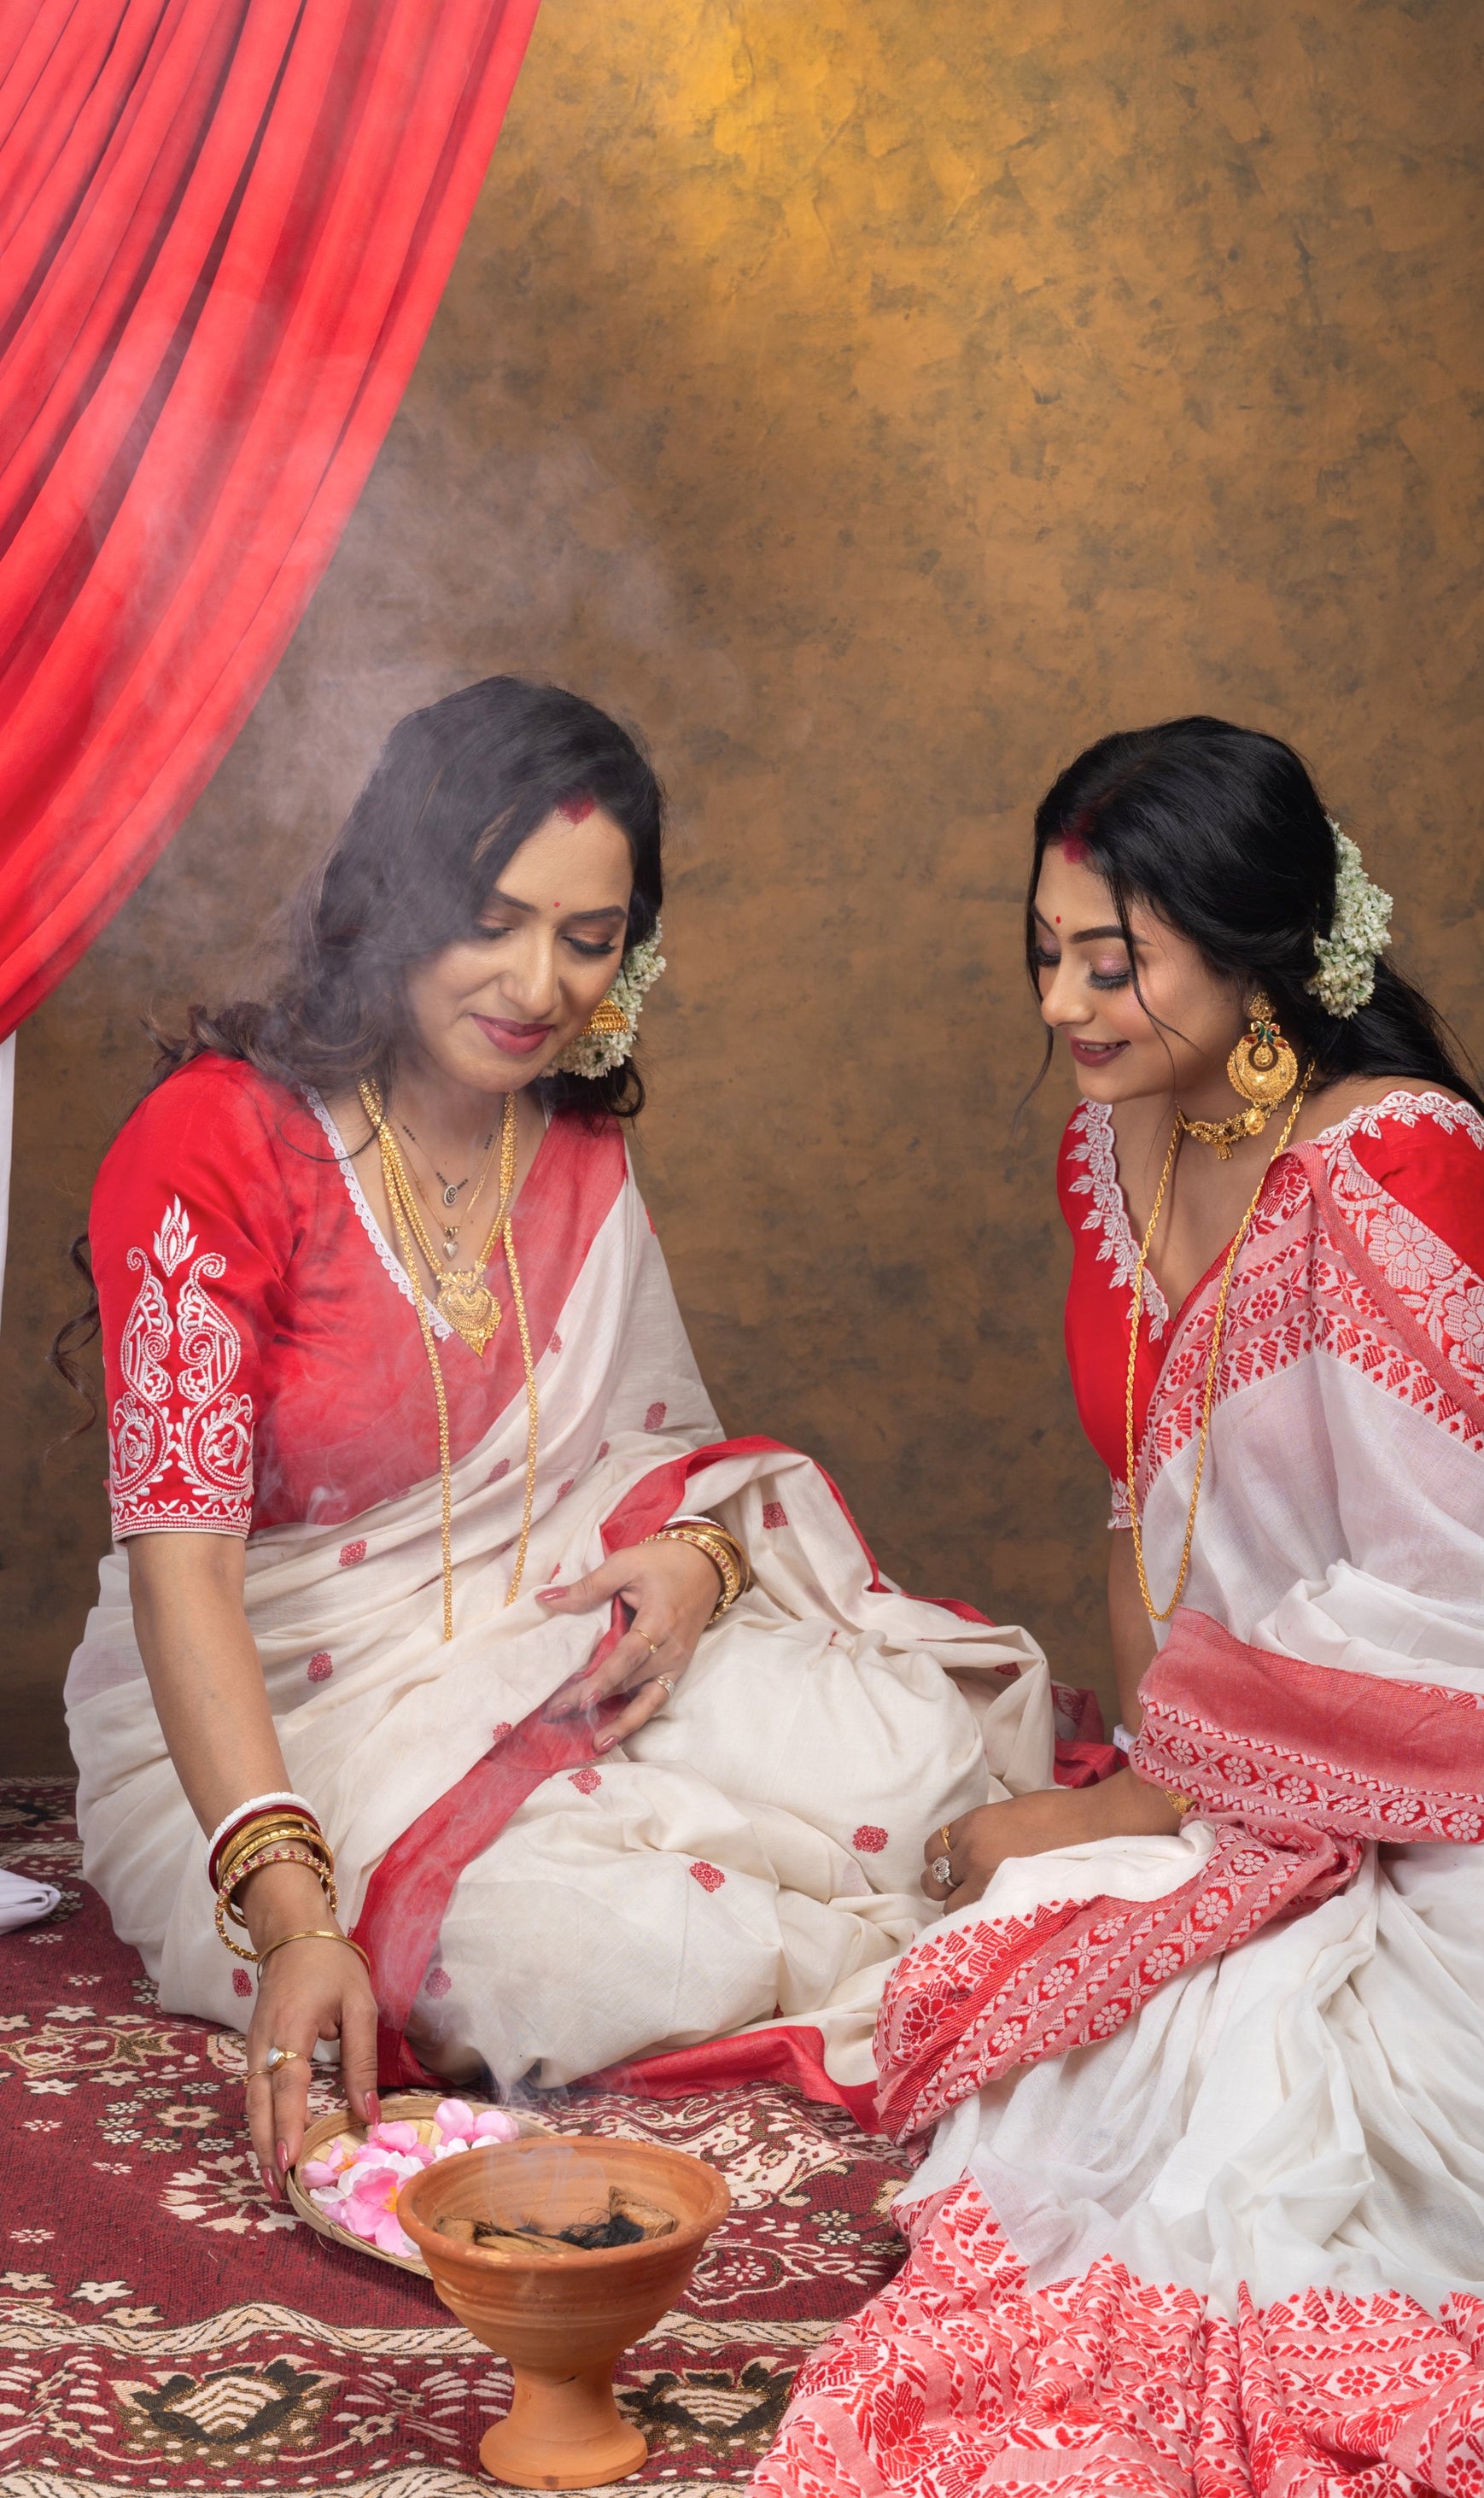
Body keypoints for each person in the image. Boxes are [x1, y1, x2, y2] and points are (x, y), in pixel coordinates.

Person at [757, 718, 1484, 2497]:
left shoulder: (1395, 1173)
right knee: (1075, 2049)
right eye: (1046, 950)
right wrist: (1176, 1803)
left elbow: (1451, 1614)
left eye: (1116, 958)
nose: (1067, 1004)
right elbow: (1145, 1526)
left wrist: (1158, 1802)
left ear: (1254, 949)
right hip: (1263, 1765)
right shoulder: (1122, 1154)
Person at [61, 677, 1062, 2204]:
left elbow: (664, 1447)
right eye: (495, 920)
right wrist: (296, 1917)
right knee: (593, 1956)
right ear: (393, 898)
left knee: (916, 1752)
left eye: (589, 940)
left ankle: (852, 1887)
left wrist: (693, 1561)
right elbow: (180, 1571)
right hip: (290, 1712)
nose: (539, 983)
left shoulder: (574, 1135)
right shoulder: (219, 1143)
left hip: (562, 1639)